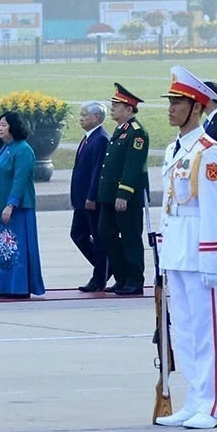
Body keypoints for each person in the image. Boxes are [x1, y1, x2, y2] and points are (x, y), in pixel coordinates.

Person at [154, 66, 217, 430]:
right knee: (183, 331)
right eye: (170, 101)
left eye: (178, 102)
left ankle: (213, 406)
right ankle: (194, 399)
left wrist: (212, 260)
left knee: (207, 332)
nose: (171, 108)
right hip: (177, 252)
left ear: (197, 107)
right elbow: (170, 204)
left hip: (202, 253)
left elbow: (215, 209)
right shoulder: (174, 150)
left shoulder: (208, 153)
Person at [0, 110, 46, 298]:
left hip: (18, 208)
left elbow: (20, 180)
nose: (0, 129)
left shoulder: (23, 150)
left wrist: (11, 204)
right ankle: (0, 285)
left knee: (14, 248)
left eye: (3, 125)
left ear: (13, 127)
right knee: (1, 249)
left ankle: (17, 286)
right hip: (0, 206)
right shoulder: (6, 148)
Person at [98, 83, 150, 296]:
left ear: (129, 109)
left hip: (125, 196)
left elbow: (132, 166)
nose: (112, 108)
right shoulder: (121, 131)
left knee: (130, 237)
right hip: (110, 195)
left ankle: (134, 280)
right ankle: (121, 276)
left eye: (117, 105)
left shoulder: (137, 133)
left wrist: (124, 194)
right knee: (105, 234)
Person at [69, 101, 112, 292]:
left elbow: (98, 170)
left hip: (90, 199)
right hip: (81, 198)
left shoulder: (101, 139)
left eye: (85, 115)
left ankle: (100, 275)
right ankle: (106, 267)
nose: (81, 118)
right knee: (77, 234)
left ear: (96, 117)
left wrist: (92, 195)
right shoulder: (88, 138)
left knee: (96, 236)